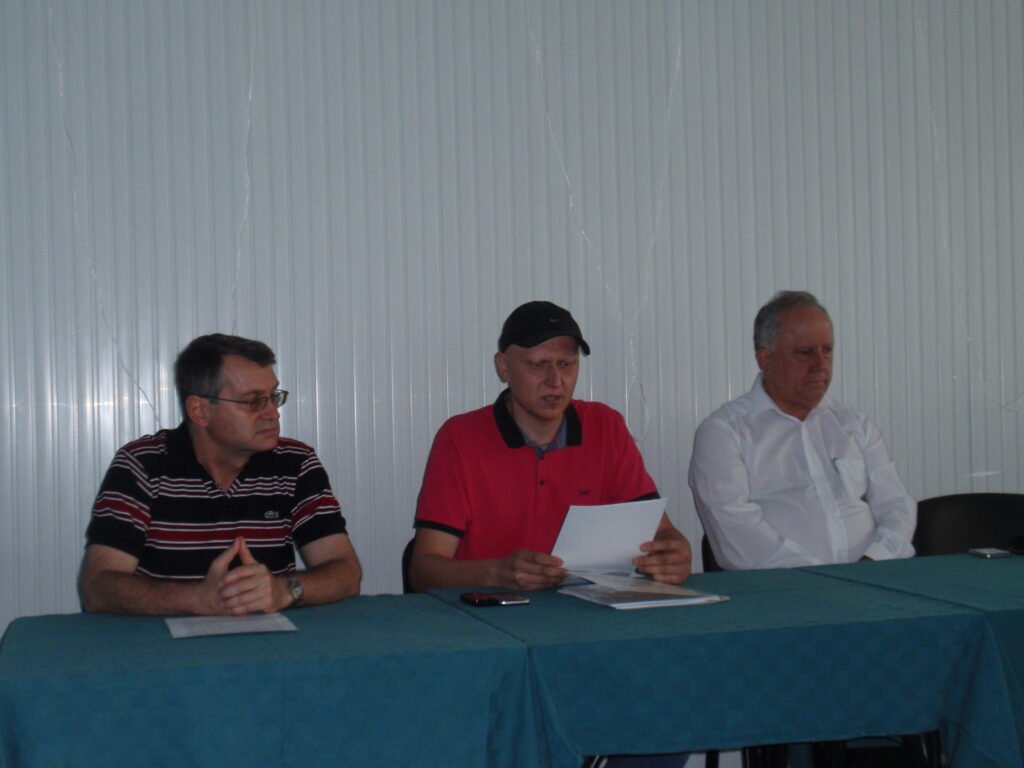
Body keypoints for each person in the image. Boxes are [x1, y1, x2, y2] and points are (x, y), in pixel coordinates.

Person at [409, 300, 692, 592]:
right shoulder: (460, 438)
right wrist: (496, 574)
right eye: (538, 365)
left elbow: (662, 533)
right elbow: (422, 571)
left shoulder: (605, 427)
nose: (556, 381)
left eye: (566, 364)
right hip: (492, 611)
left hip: (589, 607)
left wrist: (674, 552)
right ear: (504, 367)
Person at [79, 333, 361, 615]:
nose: (273, 413)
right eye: (253, 401)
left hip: (269, 637)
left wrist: (285, 590)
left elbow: (346, 572)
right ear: (200, 410)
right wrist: (197, 599)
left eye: (273, 397)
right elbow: (97, 588)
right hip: (161, 640)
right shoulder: (142, 465)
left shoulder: (295, 463)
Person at [689, 290, 916, 571]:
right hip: (785, 588)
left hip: (875, 576)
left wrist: (874, 562)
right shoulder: (723, 433)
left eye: (827, 351)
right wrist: (826, 579)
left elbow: (897, 506)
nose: (821, 365)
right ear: (766, 360)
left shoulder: (854, 423)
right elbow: (738, 534)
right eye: (805, 353)